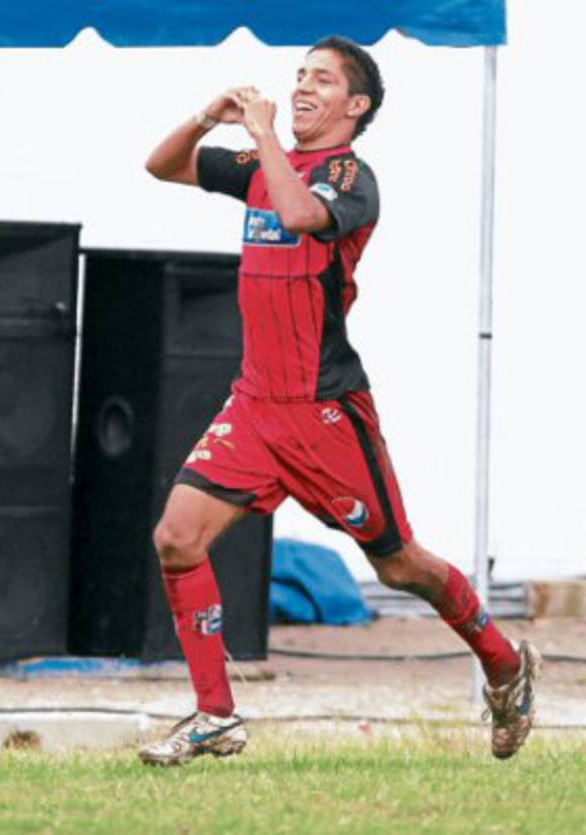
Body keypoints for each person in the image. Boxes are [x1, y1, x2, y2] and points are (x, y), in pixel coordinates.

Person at [138, 36, 540, 766]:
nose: (300, 87)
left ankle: (504, 664)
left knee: (400, 566)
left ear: (355, 106)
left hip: (325, 412)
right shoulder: (263, 164)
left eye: (320, 80)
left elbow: (299, 216)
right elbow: (160, 166)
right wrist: (205, 117)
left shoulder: (353, 178)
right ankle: (215, 714)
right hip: (254, 405)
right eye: (299, 75)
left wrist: (264, 137)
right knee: (176, 536)